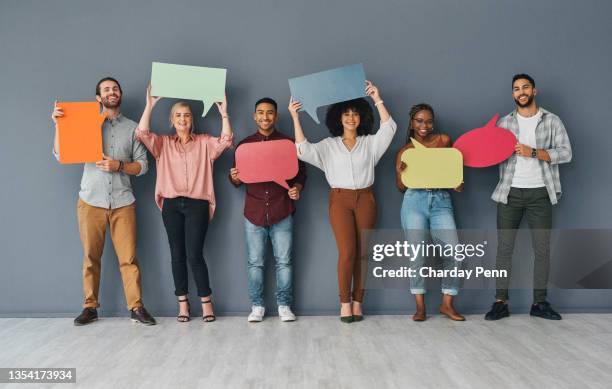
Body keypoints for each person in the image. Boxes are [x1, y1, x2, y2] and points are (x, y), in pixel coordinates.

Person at [51, 77, 156, 326]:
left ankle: (136, 307)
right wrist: (59, 125)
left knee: (129, 258)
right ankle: (90, 307)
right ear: (98, 97)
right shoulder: (84, 123)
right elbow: (60, 154)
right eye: (106, 89)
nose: (111, 92)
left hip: (123, 202)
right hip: (90, 201)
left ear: (120, 94)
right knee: (90, 257)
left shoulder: (133, 128)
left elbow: (143, 166)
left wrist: (118, 165)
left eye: (115, 88)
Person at [290, 81, 397, 323]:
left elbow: (389, 128)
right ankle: (344, 303)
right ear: (338, 118)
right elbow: (303, 151)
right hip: (340, 200)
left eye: (355, 113)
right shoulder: (329, 146)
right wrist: (295, 116)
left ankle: (358, 302)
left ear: (362, 117)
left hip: (366, 199)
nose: (351, 118)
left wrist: (377, 98)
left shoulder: (370, 143)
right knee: (347, 252)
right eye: (346, 114)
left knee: (363, 254)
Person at [135, 86, 233, 322]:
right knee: (176, 254)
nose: (182, 119)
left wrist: (224, 114)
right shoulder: (163, 144)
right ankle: (183, 303)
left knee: (194, 254)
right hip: (170, 204)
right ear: (172, 120)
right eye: (178, 115)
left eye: (186, 115)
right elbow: (142, 132)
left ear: (192, 120)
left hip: (197, 204)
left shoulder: (204, 142)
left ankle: (206, 302)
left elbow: (226, 141)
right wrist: (149, 104)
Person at [485, 73, 572, 321]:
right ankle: (500, 302)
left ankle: (540, 303)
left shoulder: (552, 120)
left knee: (542, 249)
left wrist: (533, 152)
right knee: (504, 249)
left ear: (534, 91)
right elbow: (489, 154)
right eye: (516, 89)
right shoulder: (503, 124)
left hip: (540, 193)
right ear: (512, 94)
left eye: (525, 87)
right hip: (509, 193)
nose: (520, 92)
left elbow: (566, 153)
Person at [229, 97, 307, 323]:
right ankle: (257, 306)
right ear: (254, 116)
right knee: (255, 262)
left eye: (270, 112)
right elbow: (238, 180)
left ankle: (284, 305)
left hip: (282, 209)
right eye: (261, 112)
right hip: (253, 212)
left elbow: (300, 174)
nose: (265, 117)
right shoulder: (244, 146)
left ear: (276, 116)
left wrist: (297, 189)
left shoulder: (288, 143)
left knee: (284, 261)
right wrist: (232, 177)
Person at [395, 103, 465, 322]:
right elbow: (400, 187)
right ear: (412, 123)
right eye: (419, 120)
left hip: (441, 200)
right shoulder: (405, 151)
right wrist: (401, 173)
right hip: (414, 200)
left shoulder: (444, 141)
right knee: (417, 255)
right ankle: (420, 307)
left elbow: (453, 172)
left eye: (428, 121)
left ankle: (447, 304)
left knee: (453, 252)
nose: (424, 125)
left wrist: (457, 183)